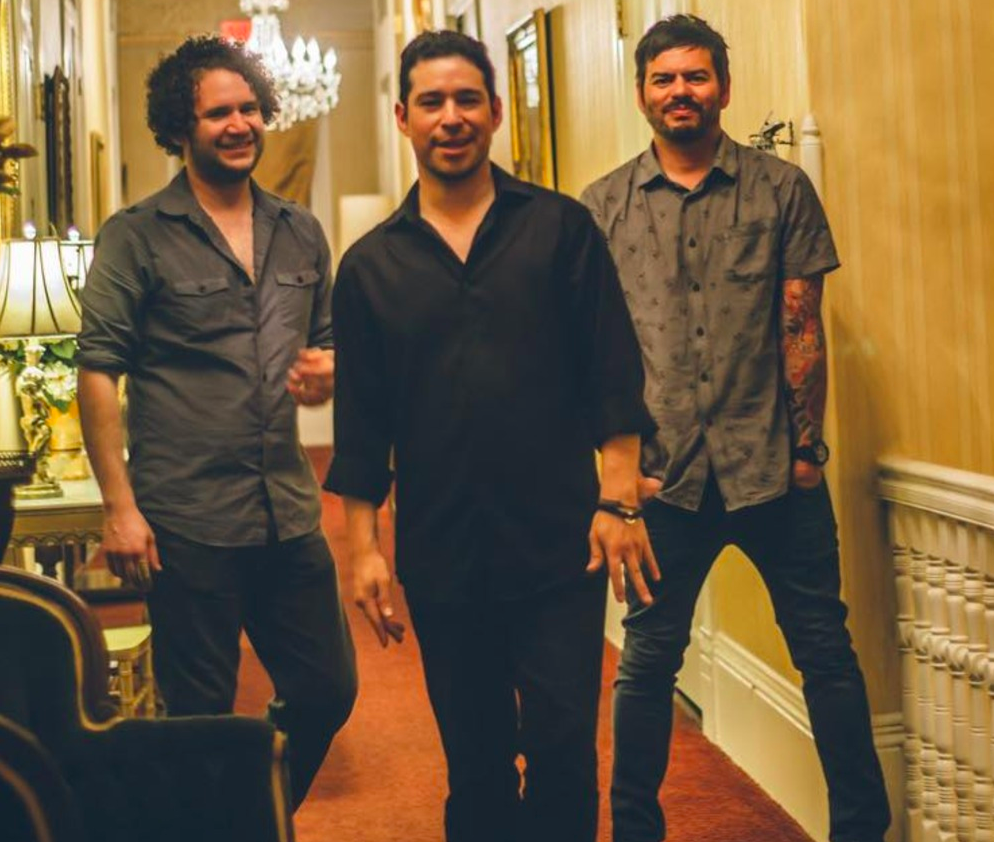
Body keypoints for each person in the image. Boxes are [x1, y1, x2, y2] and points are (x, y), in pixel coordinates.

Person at [325, 30, 657, 842]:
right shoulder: (369, 267)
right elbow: (361, 423)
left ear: (497, 111)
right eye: (432, 102)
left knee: (563, 751)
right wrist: (364, 551)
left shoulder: (561, 229)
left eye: (467, 99)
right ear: (403, 117)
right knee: (474, 763)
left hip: (561, 546)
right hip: (443, 552)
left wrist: (619, 502)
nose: (452, 117)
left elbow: (613, 374)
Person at [581, 14, 891, 842]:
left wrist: (806, 449)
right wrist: (617, 477)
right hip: (662, 482)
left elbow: (802, 324)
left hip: (775, 473)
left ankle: (862, 828)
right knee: (648, 663)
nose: (680, 91)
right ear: (641, 93)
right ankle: (636, 831)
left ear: (724, 85)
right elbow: (593, 352)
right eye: (664, 78)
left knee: (825, 654)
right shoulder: (602, 208)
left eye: (696, 75)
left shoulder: (781, 190)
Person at [76, 35, 356, 808]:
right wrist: (119, 507)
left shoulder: (300, 230)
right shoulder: (136, 234)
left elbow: (329, 344)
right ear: (181, 127)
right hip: (186, 519)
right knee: (197, 715)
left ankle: (253, 813)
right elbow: (97, 368)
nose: (240, 125)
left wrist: (329, 373)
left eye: (249, 109)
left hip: (287, 511)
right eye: (218, 113)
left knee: (327, 689)